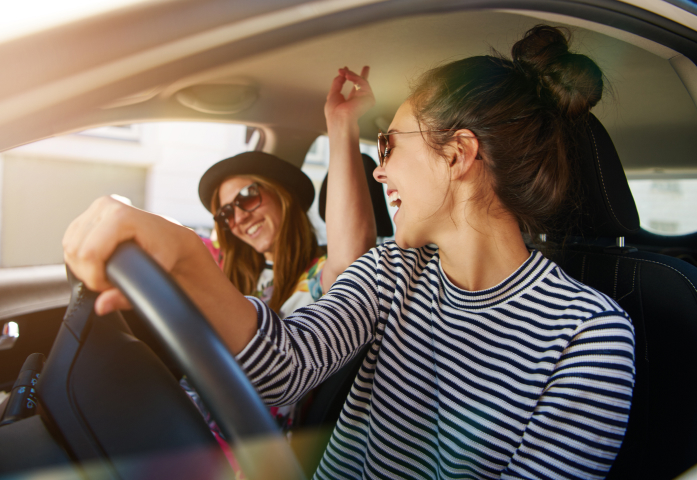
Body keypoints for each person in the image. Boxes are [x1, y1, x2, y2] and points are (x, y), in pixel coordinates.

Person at [63, 25, 635, 479]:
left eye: (388, 142)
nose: (379, 168)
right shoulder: (393, 271)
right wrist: (186, 256)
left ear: (458, 154)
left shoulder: (590, 337)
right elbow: (286, 368)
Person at [182, 67, 378, 435]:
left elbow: (352, 261)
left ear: (282, 197)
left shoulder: (316, 276)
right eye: (225, 213)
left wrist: (340, 124)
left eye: (246, 197)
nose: (238, 217)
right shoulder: (242, 278)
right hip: (189, 423)